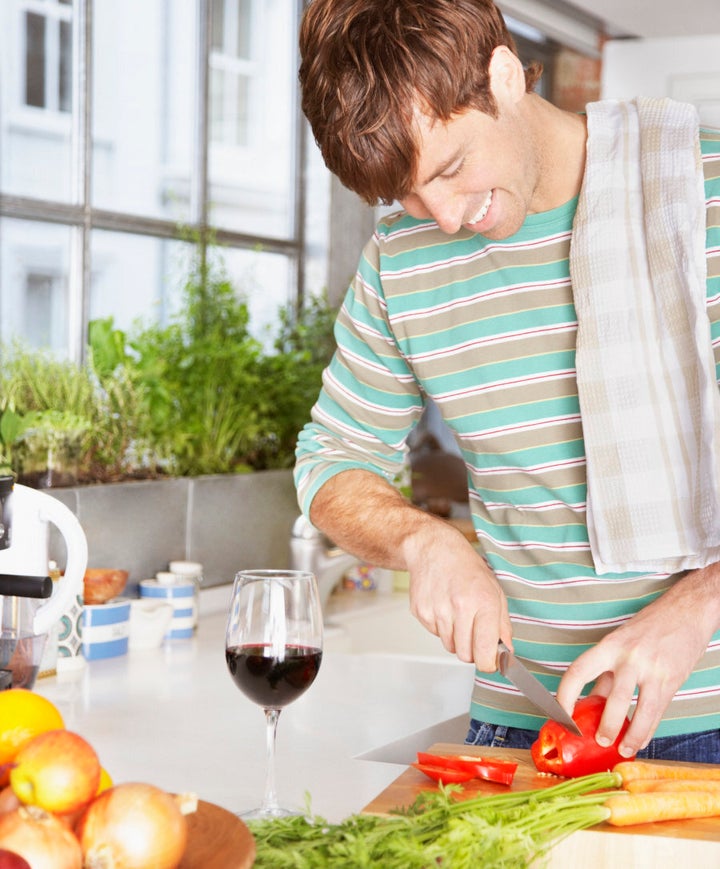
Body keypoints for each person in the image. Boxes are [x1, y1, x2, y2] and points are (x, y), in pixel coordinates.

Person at [294, 0, 720, 763]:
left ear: (501, 76)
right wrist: (424, 541)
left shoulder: (700, 193)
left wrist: (695, 609)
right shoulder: (401, 258)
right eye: (409, 195)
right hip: (523, 724)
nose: (447, 217)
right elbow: (332, 459)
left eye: (453, 167)